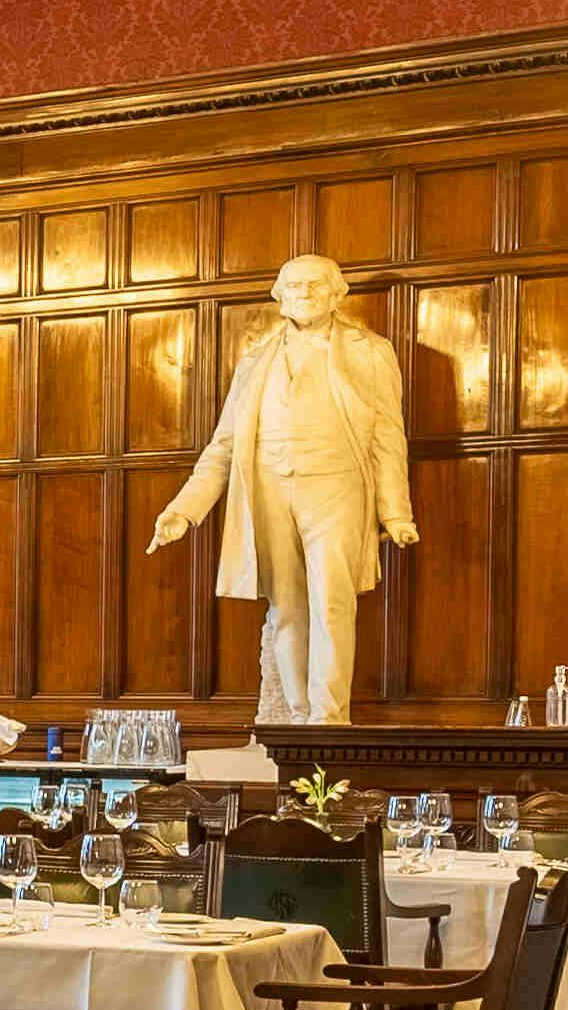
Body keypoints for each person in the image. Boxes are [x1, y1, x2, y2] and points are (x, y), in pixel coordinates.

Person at [146, 253, 419, 725]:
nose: (304, 293)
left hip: (337, 486)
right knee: (287, 607)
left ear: (337, 294)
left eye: (315, 285)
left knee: (333, 602)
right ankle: (296, 725)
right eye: (293, 285)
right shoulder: (254, 362)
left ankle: (329, 722)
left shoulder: (370, 350)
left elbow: (388, 436)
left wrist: (396, 513)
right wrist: (184, 510)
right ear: (279, 296)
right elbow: (224, 446)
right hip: (270, 487)